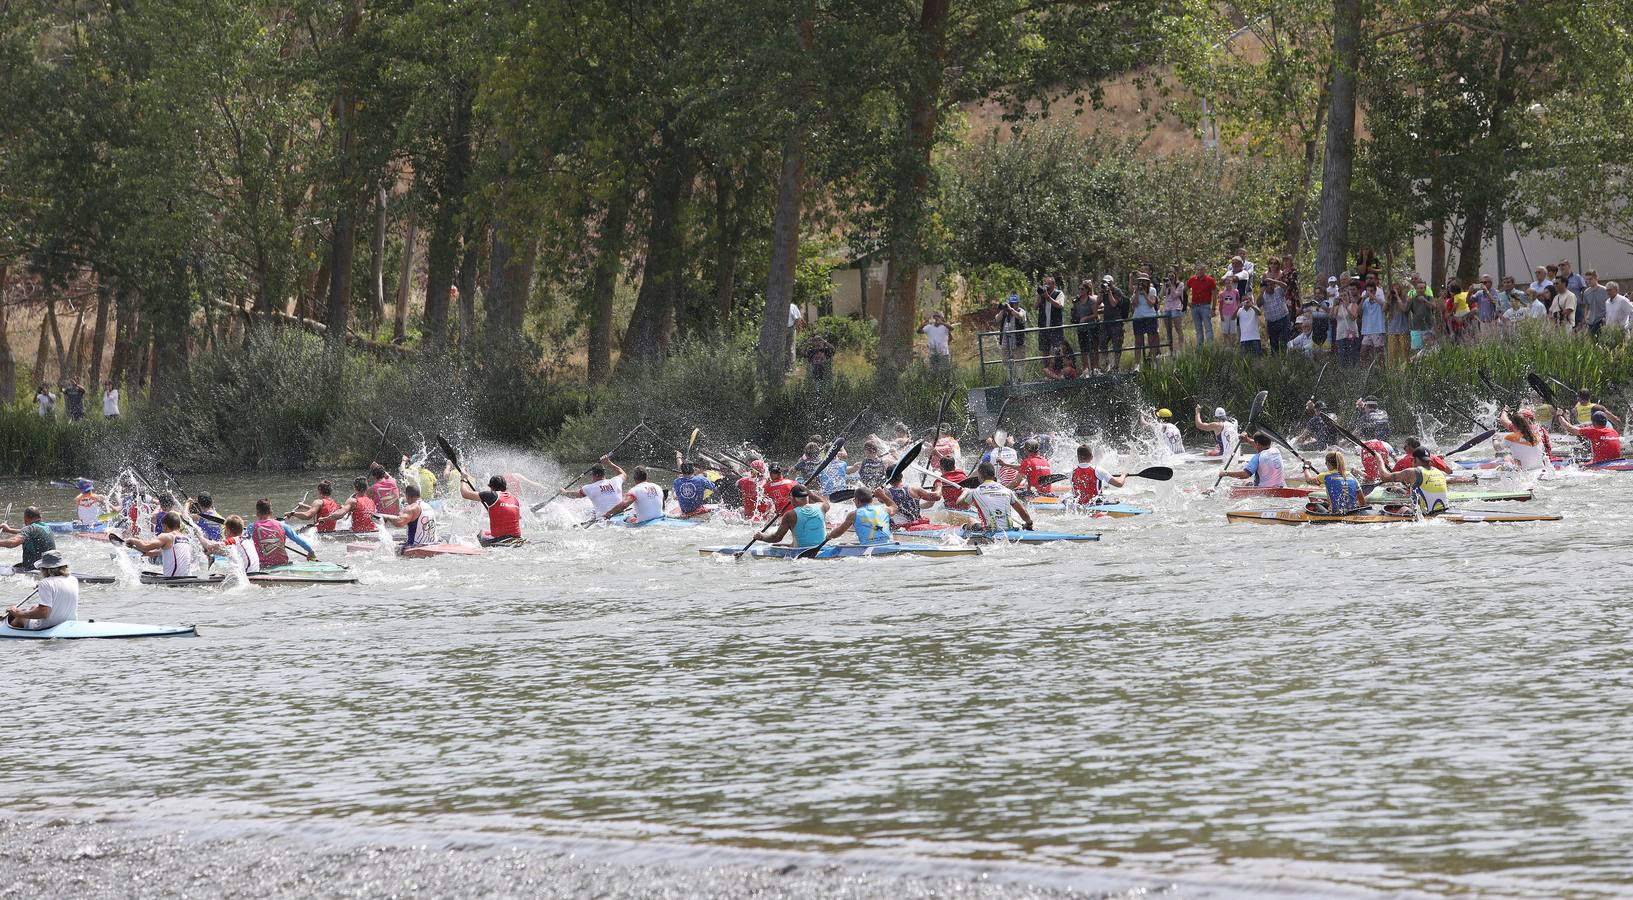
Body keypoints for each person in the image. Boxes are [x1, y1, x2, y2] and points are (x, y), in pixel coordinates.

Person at [951, 462, 1035, 532]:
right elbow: (1023, 512)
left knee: (971, 520)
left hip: (988, 531)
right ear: (993, 475)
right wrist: (1029, 523)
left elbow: (959, 504)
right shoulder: (1007, 490)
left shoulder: (974, 492)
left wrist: (965, 492)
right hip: (1009, 530)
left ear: (980, 476)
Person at [4, 550, 77, 631]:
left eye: (42, 568)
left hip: (48, 626)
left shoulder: (46, 583)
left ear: (48, 570)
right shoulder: (73, 579)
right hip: (68, 622)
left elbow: (43, 613)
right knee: (34, 607)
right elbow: (60, 592)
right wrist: (44, 588)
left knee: (19, 618)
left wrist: (17, 613)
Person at [1375, 447, 1451, 514]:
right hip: (1443, 511)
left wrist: (1379, 460)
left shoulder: (1412, 472)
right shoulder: (1439, 472)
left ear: (1415, 459)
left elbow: (1384, 477)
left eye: (1412, 460)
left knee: (1396, 509)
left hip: (1426, 515)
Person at [125, 512, 195, 578]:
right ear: (179, 526)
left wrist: (132, 540)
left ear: (165, 526)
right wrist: (138, 549)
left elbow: (145, 546)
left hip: (173, 579)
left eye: (163, 527)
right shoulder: (186, 538)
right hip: (188, 578)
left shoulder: (167, 536)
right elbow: (152, 552)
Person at [761, 485, 831, 549]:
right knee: (790, 544)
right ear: (808, 497)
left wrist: (762, 537)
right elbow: (825, 503)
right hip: (822, 547)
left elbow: (777, 538)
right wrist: (810, 493)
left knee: (776, 545)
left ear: (793, 499)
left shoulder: (790, 515)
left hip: (801, 550)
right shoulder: (821, 507)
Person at [251, 499, 317, 565]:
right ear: (271, 512)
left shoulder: (251, 527)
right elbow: (298, 539)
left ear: (257, 513)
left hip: (263, 566)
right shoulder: (282, 525)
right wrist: (311, 552)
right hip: (282, 563)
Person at [461, 474, 527, 540]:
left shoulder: (491, 495)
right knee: (487, 532)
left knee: (481, 533)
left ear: (491, 487)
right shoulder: (514, 499)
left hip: (500, 539)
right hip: (517, 537)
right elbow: (515, 516)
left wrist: (463, 479)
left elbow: (465, 494)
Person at [823, 486, 894, 547]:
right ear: (872, 499)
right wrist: (882, 496)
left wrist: (829, 536)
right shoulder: (884, 509)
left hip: (867, 547)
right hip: (885, 544)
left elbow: (838, 533)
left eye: (854, 500)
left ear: (857, 501)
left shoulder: (853, 515)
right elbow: (895, 507)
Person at [1555, 408, 1624, 465]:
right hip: (1618, 461)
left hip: (1601, 464)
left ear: (1593, 423)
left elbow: (1570, 428)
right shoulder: (1613, 431)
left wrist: (1559, 416)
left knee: (1575, 464)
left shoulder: (1593, 431)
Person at [1222, 432, 1290, 488]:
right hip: (1280, 487)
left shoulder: (1257, 457)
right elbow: (1259, 446)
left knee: (1244, 482)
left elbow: (1245, 475)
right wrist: (1247, 439)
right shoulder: (1276, 451)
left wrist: (1226, 473)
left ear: (1257, 443)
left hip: (1262, 489)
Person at [601, 466, 666, 524]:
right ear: (646, 476)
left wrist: (609, 512)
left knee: (627, 517)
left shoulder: (634, 490)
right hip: (660, 518)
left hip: (644, 522)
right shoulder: (657, 487)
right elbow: (663, 507)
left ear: (634, 478)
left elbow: (624, 505)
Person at [383, 482, 440, 548]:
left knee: (384, 547)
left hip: (415, 547)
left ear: (407, 496)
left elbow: (400, 523)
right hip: (432, 544)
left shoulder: (411, 508)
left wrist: (385, 517)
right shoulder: (428, 506)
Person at [1070, 280, 1101, 374]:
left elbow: (1095, 315)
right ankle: (1086, 369)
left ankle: (1095, 368)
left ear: (1087, 290)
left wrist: (1085, 318)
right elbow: (1074, 314)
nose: (1080, 291)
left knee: (1094, 348)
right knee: (1083, 349)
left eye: (1082, 289)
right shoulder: (1077, 301)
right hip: (1081, 329)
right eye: (1079, 289)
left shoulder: (1092, 300)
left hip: (1092, 328)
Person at [1099, 276, 1129, 370]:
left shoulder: (1117, 291)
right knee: (1102, 342)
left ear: (1112, 283)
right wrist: (1102, 292)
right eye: (1104, 282)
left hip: (1116, 322)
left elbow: (1113, 303)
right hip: (1106, 321)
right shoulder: (1104, 292)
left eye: (1108, 283)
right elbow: (1098, 301)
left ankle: (1116, 366)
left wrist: (1109, 292)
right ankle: (1107, 364)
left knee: (1117, 345)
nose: (1106, 284)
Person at [997, 294, 1028, 382]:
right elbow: (997, 319)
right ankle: (1010, 380)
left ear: (1017, 304)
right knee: (1006, 362)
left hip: (1018, 342)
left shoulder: (1021, 311)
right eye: (1011, 303)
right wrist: (1003, 310)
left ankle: (1020, 380)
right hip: (1005, 342)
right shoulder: (1005, 313)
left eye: (1015, 303)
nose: (1013, 305)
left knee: (1020, 362)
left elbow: (1020, 316)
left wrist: (1011, 310)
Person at [1131, 274, 1160, 364]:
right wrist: (1137, 293)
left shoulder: (1152, 290)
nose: (1142, 283)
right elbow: (1134, 304)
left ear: (1147, 281)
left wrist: (1145, 294)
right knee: (1138, 342)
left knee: (1151, 341)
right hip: (1138, 318)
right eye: (1140, 281)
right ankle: (1137, 365)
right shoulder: (1135, 291)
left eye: (1144, 281)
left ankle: (1153, 362)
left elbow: (1152, 303)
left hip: (1150, 317)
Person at [1186, 263, 1216, 345]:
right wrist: (1187, 302)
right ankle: (1200, 349)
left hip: (1205, 306)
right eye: (1198, 270)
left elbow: (1214, 295)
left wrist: (1213, 308)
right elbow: (1184, 291)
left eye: (1201, 270)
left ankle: (1210, 347)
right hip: (1194, 306)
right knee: (1198, 329)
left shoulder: (1210, 280)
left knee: (1208, 328)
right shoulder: (1192, 279)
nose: (1200, 271)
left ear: (1205, 270)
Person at [1036, 276, 1067, 354]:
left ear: (1054, 285)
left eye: (1049, 284)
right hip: (1044, 327)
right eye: (1045, 284)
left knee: (1057, 350)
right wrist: (1040, 296)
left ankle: (1058, 366)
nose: (1047, 286)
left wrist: (1048, 297)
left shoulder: (1059, 293)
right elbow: (1035, 307)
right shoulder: (1042, 295)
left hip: (1055, 327)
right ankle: (1046, 366)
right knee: (1045, 351)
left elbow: (1060, 305)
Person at [1235, 290, 1262, 355]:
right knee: (1245, 361)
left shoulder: (1254, 308)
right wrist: (1238, 307)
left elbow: (1259, 313)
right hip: (1244, 339)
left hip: (1255, 338)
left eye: (1247, 299)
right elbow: (1233, 318)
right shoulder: (1240, 310)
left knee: (1256, 359)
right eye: (1244, 300)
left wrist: (1251, 305)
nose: (1246, 301)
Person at [1217, 277, 1240, 343]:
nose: (1228, 285)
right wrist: (1221, 315)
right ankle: (1227, 345)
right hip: (1225, 314)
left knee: (1233, 331)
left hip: (1233, 314)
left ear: (1232, 283)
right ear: (1224, 284)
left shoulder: (1235, 291)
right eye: (1226, 283)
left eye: (1229, 283)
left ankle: (1232, 345)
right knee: (1225, 331)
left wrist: (1237, 308)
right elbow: (1220, 305)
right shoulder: (1222, 293)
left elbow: (1238, 299)